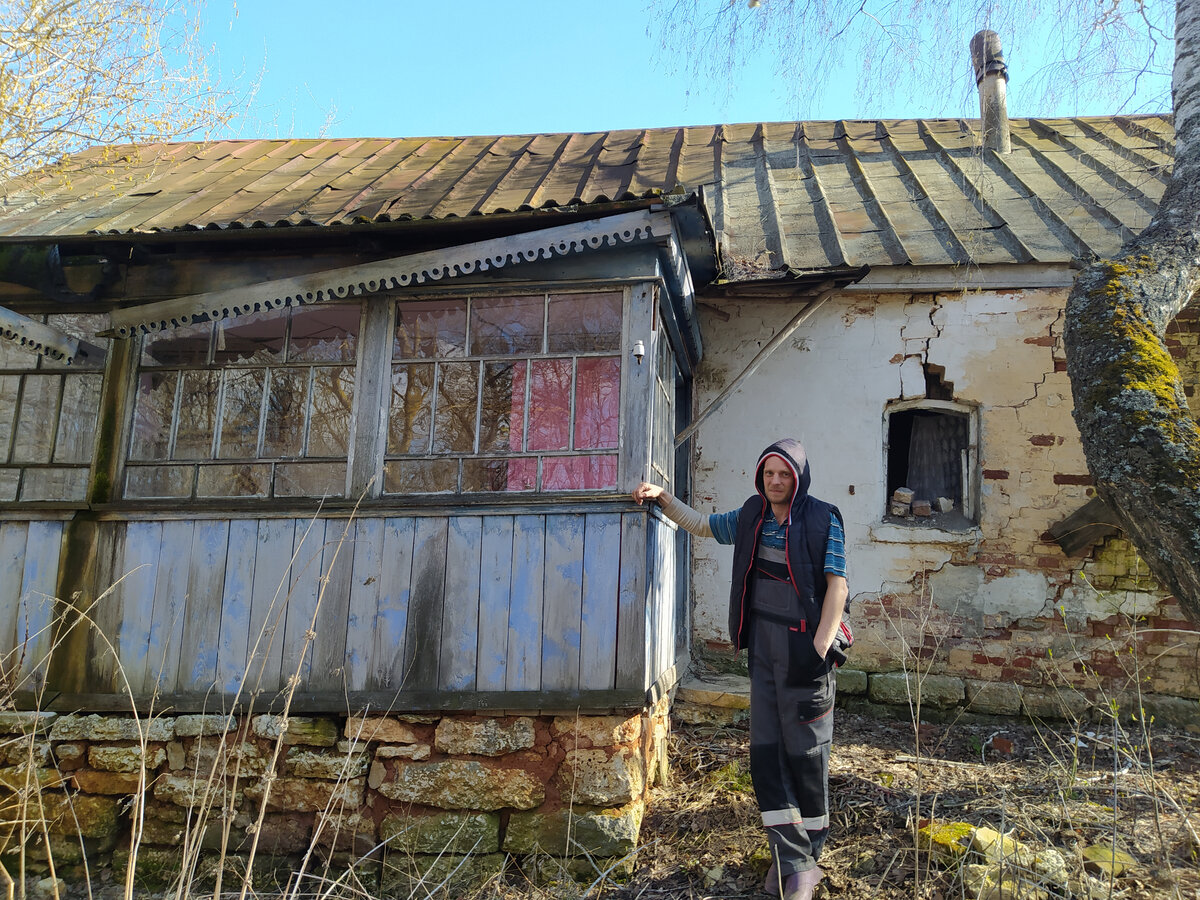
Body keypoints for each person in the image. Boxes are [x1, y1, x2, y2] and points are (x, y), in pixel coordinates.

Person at [633, 439, 850, 900]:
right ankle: (787, 858)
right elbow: (703, 525)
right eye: (769, 473)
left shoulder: (822, 518)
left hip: (805, 653)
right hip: (763, 651)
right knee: (767, 755)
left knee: (806, 756)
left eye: (784, 475)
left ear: (799, 478)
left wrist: (818, 648)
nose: (776, 482)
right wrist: (663, 499)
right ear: (760, 476)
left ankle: (805, 865)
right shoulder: (751, 516)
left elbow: (838, 587)